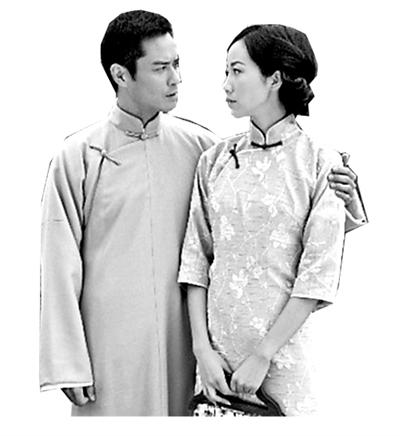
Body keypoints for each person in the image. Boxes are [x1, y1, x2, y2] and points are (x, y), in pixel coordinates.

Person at [40, 11, 366, 416]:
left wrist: (347, 201)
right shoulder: (80, 157)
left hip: (192, 345)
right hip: (112, 344)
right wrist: (67, 362)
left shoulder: (201, 147)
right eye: (161, 68)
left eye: (177, 64)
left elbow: (278, 223)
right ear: (121, 74)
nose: (176, 78)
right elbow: (59, 263)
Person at [178, 24, 367, 416]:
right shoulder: (214, 160)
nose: (226, 84)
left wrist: (264, 354)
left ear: (274, 79)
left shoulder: (321, 163)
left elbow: (316, 275)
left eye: (237, 70)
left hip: (284, 362)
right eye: (226, 72)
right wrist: (202, 351)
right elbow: (195, 260)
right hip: (216, 366)